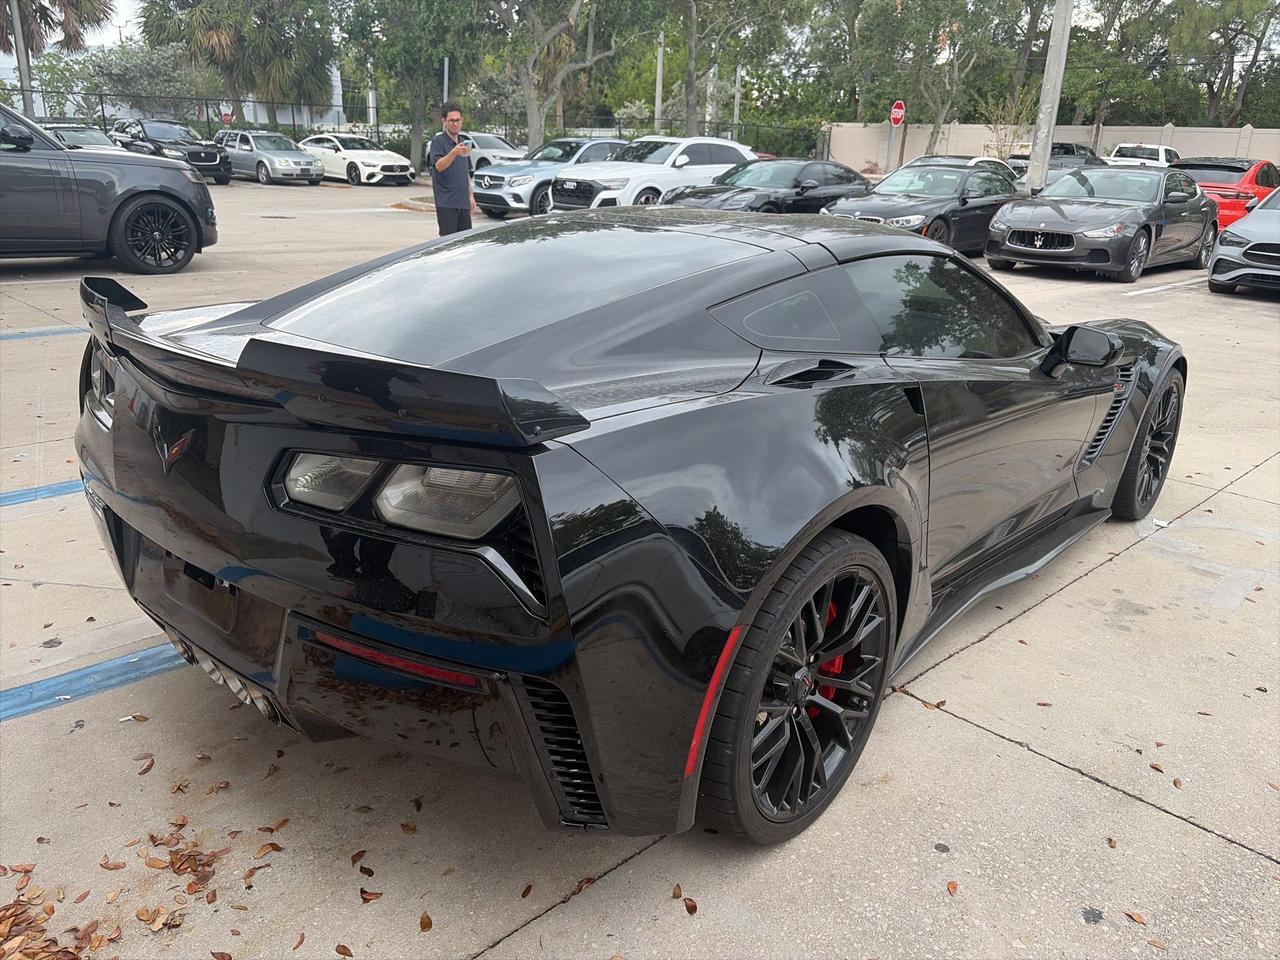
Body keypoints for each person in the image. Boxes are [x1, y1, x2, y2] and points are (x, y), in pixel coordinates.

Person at [428, 102, 478, 235]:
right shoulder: (438, 141)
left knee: (465, 242)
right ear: (444, 121)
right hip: (447, 203)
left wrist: (471, 196)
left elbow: (466, 172)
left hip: (463, 203)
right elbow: (439, 166)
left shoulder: (463, 143)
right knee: (449, 242)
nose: (455, 124)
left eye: (458, 120)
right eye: (451, 120)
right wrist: (453, 153)